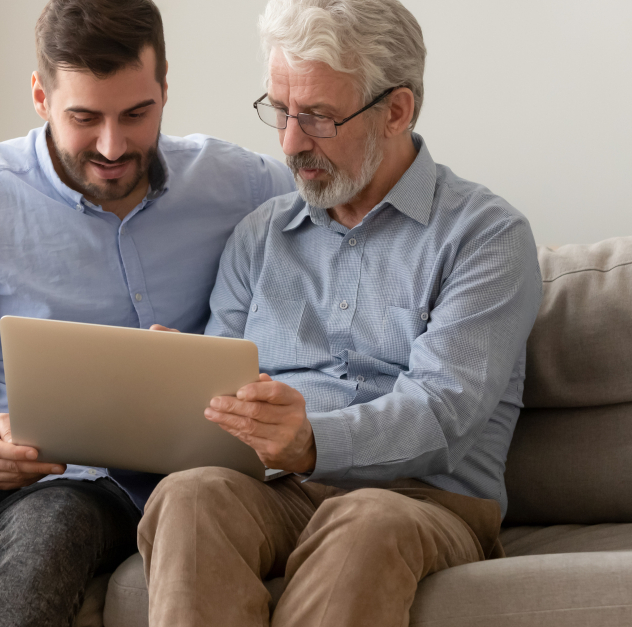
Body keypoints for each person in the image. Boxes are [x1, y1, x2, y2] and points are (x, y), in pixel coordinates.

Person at [0, 0, 294, 624]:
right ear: (41, 96)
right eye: (84, 117)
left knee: (50, 530)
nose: (112, 145)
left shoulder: (243, 186)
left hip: (100, 483)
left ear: (164, 87)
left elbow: (342, 232)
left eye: (136, 114)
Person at [139, 0, 543, 625]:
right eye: (281, 110)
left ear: (397, 110)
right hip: (277, 493)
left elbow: (441, 417)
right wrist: (182, 389)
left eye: (320, 118)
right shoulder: (259, 236)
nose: (291, 143)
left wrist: (311, 442)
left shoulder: (485, 236)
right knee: (188, 496)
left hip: (423, 502)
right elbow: (219, 415)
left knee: (368, 519)